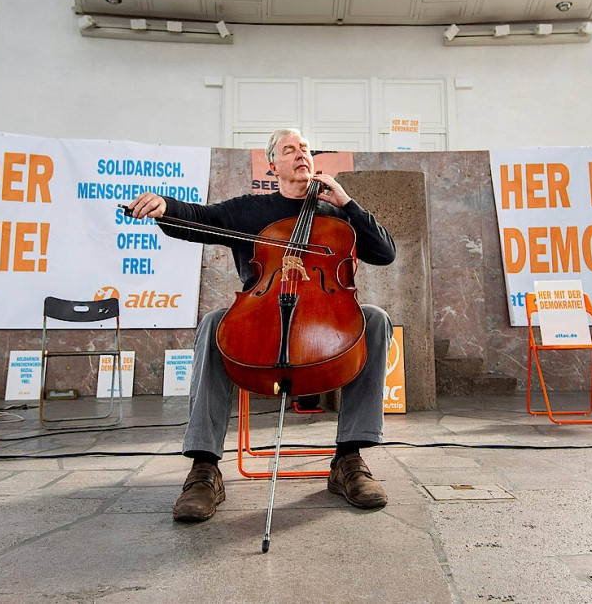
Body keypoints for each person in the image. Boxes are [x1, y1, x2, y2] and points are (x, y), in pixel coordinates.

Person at [124, 128, 397, 523]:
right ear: (274, 165)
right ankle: (204, 468)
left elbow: (384, 253)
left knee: (374, 319)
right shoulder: (251, 210)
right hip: (260, 323)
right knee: (213, 323)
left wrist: (347, 202)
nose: (301, 154)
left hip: (322, 325)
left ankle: (349, 459)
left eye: (305, 148)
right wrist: (164, 207)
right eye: (290, 149)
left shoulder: (336, 213)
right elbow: (201, 219)